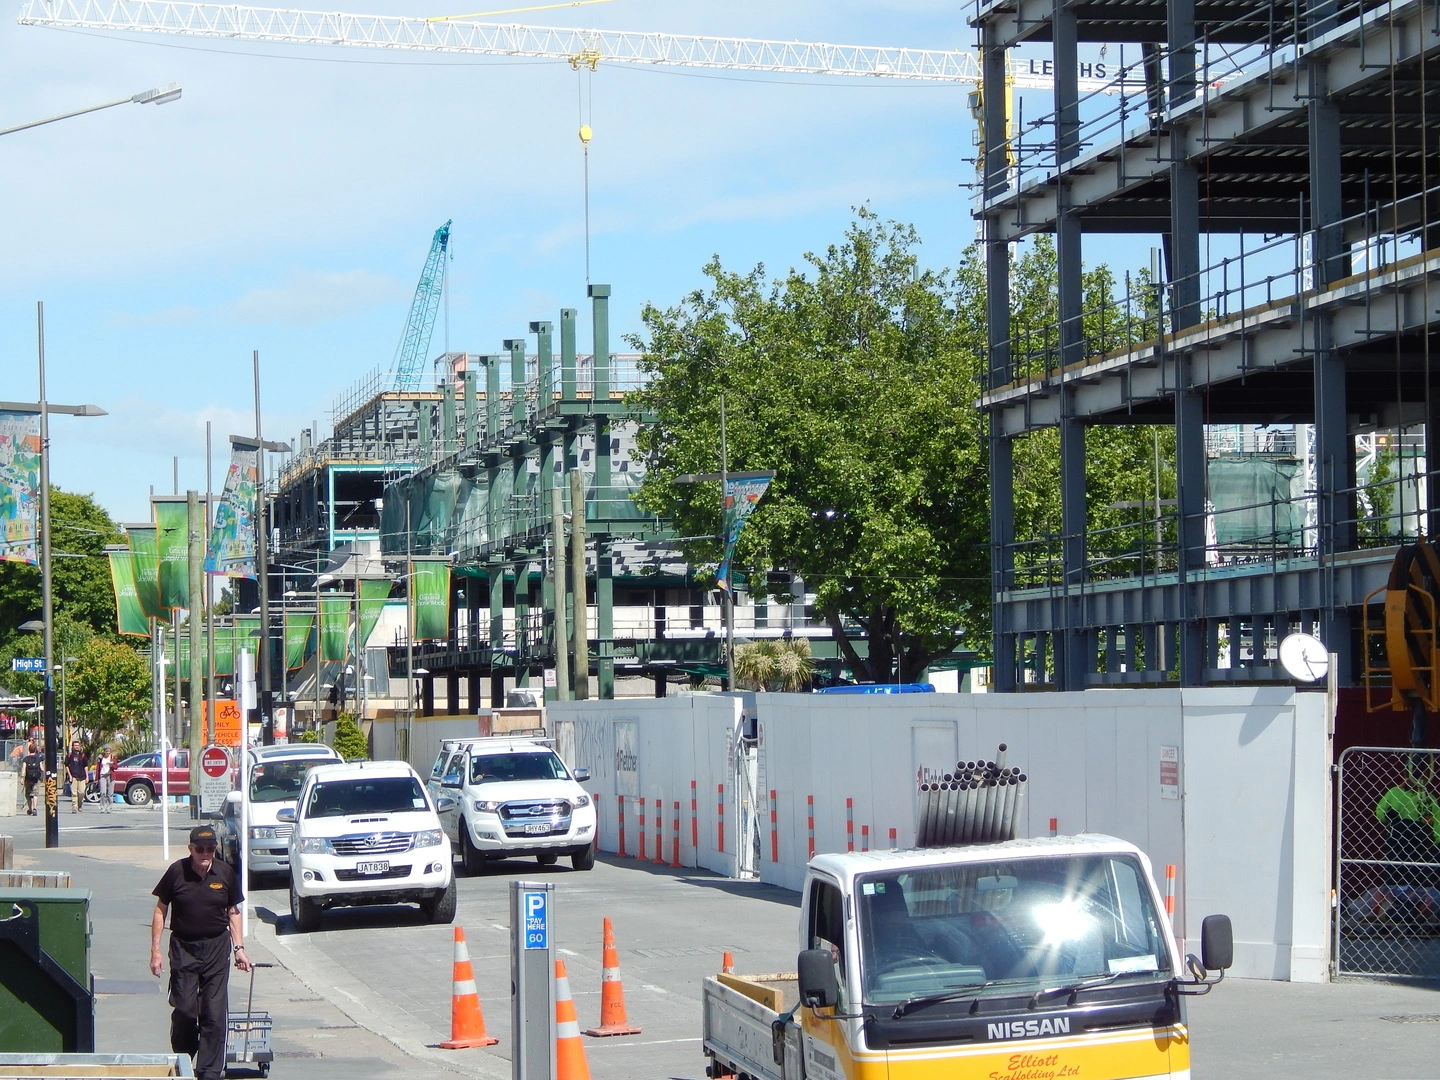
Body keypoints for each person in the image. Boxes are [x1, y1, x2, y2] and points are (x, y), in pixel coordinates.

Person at [150, 825, 251, 1080]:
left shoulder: (225, 872)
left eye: (210, 848)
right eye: (200, 849)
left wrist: (239, 949)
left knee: (214, 1014)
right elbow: (160, 910)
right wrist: (156, 952)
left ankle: (208, 1072)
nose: (205, 853)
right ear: (190, 849)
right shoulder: (176, 872)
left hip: (217, 947)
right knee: (185, 1010)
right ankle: (184, 1055)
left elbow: (233, 912)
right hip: (184, 947)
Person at [1374, 770, 1439, 888]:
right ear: (1404, 776)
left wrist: (1437, 843)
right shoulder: (1395, 792)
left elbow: (1437, 820)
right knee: (1393, 876)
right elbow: (1380, 812)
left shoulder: (1428, 798)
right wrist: (1390, 814)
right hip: (1396, 840)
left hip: (1419, 843)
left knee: (1418, 878)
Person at [65, 741, 88, 814]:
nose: (76, 747)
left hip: (82, 776)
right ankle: (74, 807)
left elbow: (86, 766)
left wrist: (87, 776)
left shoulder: (83, 755)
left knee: (81, 792)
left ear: (80, 746)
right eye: (75, 745)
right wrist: (70, 776)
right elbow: (66, 766)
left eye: (78, 745)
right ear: (72, 746)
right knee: (74, 793)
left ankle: (80, 804)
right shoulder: (69, 755)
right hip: (73, 776)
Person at [21, 739, 43, 816]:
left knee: (28, 794)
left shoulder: (26, 759)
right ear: (35, 750)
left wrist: (22, 778)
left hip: (28, 778)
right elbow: (42, 768)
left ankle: (30, 808)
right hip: (36, 778)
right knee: (35, 794)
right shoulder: (38, 758)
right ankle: (35, 808)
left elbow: (24, 769)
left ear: (29, 750)